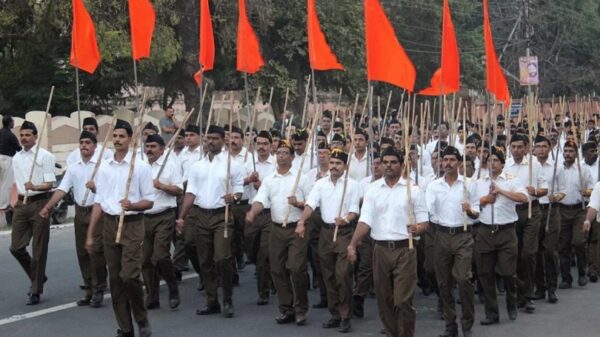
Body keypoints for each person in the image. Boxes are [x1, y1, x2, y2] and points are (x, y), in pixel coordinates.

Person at [347, 148, 429, 337]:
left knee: (402, 301)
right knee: (384, 301)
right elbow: (364, 221)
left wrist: (418, 228)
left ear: (401, 165)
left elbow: (425, 222)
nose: (388, 165)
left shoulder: (413, 190)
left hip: (405, 250)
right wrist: (352, 244)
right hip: (381, 250)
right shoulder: (373, 190)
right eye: (385, 162)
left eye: (393, 162)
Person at [85, 119, 154, 337]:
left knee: (130, 276)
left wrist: (132, 204)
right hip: (110, 224)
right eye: (114, 136)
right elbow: (100, 201)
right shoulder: (105, 167)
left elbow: (149, 201)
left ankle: (141, 317)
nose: (117, 140)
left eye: (121, 136)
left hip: (133, 225)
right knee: (115, 279)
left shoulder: (141, 166)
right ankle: (126, 327)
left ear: (130, 139)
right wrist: (90, 234)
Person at [176, 125, 243, 318]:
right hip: (200, 215)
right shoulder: (197, 166)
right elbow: (191, 192)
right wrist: (181, 216)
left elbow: (239, 189)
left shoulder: (232, 164)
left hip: (222, 214)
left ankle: (228, 299)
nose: (210, 142)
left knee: (222, 257)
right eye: (208, 138)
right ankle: (211, 300)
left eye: (215, 138)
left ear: (223, 140)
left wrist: (235, 197)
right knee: (205, 260)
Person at [245, 139, 310, 326]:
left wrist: (298, 203)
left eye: (285, 153)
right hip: (276, 228)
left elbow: (312, 204)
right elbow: (260, 200)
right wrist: (252, 212)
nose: (281, 155)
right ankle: (286, 308)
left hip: (296, 228)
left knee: (297, 268)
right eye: (279, 152)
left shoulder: (301, 178)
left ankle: (301, 308)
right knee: (277, 269)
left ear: (291, 157)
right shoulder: (269, 180)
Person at [39, 131, 106, 307]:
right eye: (81, 142)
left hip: (97, 211)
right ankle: (89, 290)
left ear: (94, 146)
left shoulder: (102, 166)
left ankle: (99, 288)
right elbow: (62, 188)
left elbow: (109, 193)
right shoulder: (74, 167)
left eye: (88, 142)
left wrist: (95, 188)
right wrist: (48, 207)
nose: (84, 145)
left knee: (95, 251)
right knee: (82, 252)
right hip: (80, 211)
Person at [297, 149, 360, 333]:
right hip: (325, 233)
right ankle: (335, 314)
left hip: (344, 232)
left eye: (338, 163)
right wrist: (302, 221)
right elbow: (310, 204)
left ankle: (346, 315)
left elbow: (354, 210)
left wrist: (346, 219)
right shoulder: (320, 184)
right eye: (332, 163)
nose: (334, 166)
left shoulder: (353, 185)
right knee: (328, 275)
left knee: (343, 274)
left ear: (345, 166)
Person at [425, 146, 479, 337]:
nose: (447, 163)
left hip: (463, 235)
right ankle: (450, 324)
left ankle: (467, 324)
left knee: (463, 279)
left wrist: (469, 210)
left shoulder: (469, 184)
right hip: (441, 235)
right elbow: (428, 210)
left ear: (459, 162)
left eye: (451, 160)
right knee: (444, 283)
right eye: (444, 159)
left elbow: (477, 213)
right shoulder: (433, 186)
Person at [474, 147, 528, 325]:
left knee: (507, 272)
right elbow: (472, 207)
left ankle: (511, 301)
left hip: (506, 231)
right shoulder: (479, 181)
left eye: (495, 160)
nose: (492, 164)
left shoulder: (512, 180)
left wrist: (501, 191)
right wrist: (483, 200)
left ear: (503, 164)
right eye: (489, 160)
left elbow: (523, 198)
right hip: (484, 230)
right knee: (485, 273)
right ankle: (492, 312)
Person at [10, 120, 56, 305]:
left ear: (35, 137)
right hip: (22, 204)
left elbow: (50, 184)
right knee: (16, 247)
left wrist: (35, 185)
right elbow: (17, 182)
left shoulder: (46, 156)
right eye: (22, 135)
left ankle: (36, 290)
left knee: (38, 249)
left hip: (40, 202)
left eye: (28, 135)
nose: (24, 138)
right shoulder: (16, 157)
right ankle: (37, 276)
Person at [503, 134, 548, 313]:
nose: (516, 150)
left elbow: (545, 189)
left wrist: (536, 191)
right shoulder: (505, 165)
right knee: (515, 255)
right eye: (513, 146)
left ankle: (529, 296)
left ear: (527, 147)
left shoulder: (534, 164)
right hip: (512, 212)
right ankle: (519, 294)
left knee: (528, 253)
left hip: (531, 210)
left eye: (520, 146)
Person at [142, 134, 183, 310]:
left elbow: (178, 190)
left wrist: (161, 186)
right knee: (145, 259)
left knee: (160, 255)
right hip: (143, 216)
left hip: (164, 215)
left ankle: (172, 285)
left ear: (162, 148)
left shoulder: (171, 165)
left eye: (153, 146)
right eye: (147, 146)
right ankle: (152, 296)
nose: (149, 150)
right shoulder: (140, 166)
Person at [242, 130, 276, 305]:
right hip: (252, 211)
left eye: (265, 143)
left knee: (264, 252)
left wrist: (260, 185)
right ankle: (267, 271)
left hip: (270, 213)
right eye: (259, 143)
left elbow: (277, 189)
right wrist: (248, 180)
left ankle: (263, 291)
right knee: (250, 246)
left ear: (271, 145)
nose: (261, 147)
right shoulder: (249, 162)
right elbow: (236, 183)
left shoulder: (276, 165)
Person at [557, 141, 593, 288]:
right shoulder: (558, 169)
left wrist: (587, 192)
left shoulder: (583, 169)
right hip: (562, 209)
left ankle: (582, 272)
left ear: (576, 153)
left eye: (571, 151)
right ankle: (566, 278)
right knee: (563, 245)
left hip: (579, 209)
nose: (567, 154)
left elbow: (593, 190)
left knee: (579, 242)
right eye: (565, 151)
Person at [533, 136, 563, 303]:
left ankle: (552, 287)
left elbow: (563, 190)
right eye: (538, 146)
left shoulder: (557, 168)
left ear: (550, 148)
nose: (541, 149)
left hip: (552, 210)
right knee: (535, 250)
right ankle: (540, 286)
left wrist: (556, 196)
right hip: (536, 209)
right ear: (534, 149)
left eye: (544, 146)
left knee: (549, 250)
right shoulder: (531, 167)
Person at [0, 115, 21, 214]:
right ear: (9, 123)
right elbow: (18, 148)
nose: (14, 123)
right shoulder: (10, 135)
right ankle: (4, 205)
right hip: (6, 159)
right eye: (13, 121)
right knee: (6, 183)